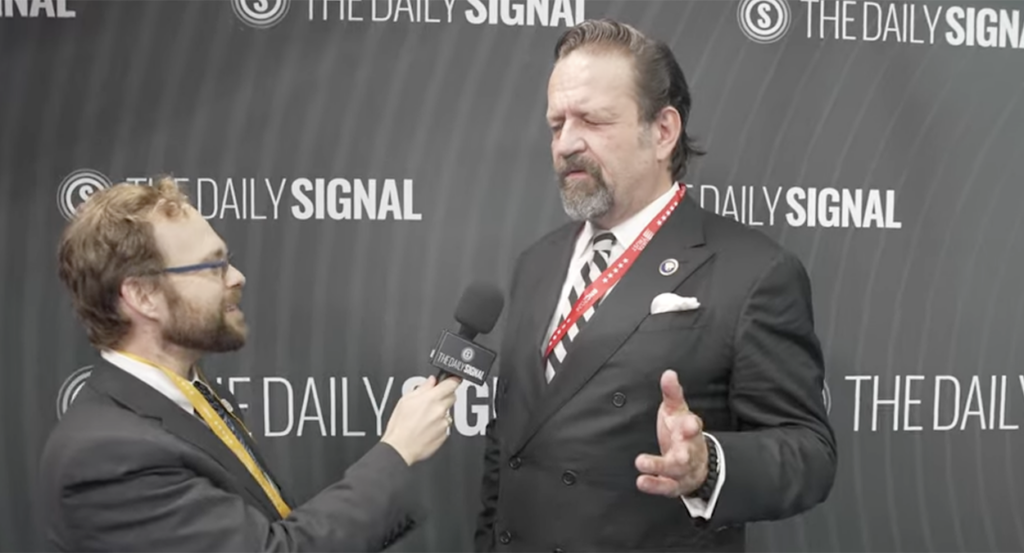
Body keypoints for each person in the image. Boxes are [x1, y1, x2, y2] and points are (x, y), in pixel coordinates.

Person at [474, 19, 837, 553]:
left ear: (663, 131)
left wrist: (707, 465)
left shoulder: (754, 271)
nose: (566, 143)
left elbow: (809, 453)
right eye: (556, 125)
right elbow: (507, 450)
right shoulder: (536, 264)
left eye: (592, 120)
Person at [39, 177, 460, 553]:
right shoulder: (107, 456)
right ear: (143, 296)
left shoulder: (197, 397)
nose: (236, 277)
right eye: (213, 266)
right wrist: (397, 450)